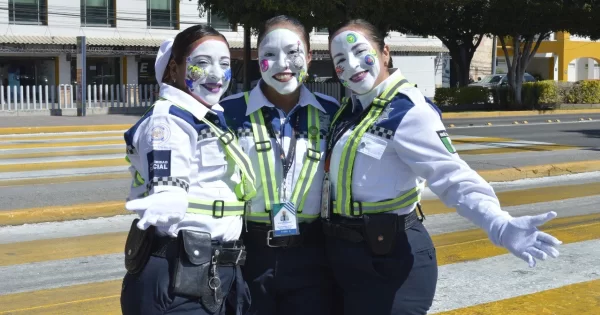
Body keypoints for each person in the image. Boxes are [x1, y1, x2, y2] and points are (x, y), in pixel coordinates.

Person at [321, 19, 563, 315]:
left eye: (361, 52)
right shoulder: (348, 110)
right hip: (346, 258)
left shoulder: (408, 111)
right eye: (340, 60)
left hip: (390, 260)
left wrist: (498, 224)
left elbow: (452, 176)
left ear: (385, 52)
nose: (353, 65)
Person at [120, 25, 255, 315]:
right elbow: (168, 180)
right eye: (202, 63)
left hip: (209, 270)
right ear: (174, 69)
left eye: (224, 64)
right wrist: (168, 193)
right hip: (180, 276)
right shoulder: (168, 122)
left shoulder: (206, 118)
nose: (217, 74)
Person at [220, 15, 340, 315]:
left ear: (310, 58)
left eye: (293, 53)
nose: (282, 64)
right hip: (250, 253)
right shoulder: (228, 112)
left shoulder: (332, 112)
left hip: (314, 253)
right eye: (269, 54)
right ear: (258, 58)